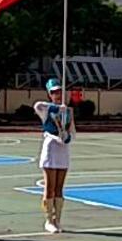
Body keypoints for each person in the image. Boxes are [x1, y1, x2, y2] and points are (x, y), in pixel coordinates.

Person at [34, 78, 75, 233]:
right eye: (54, 92)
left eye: (59, 92)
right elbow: (37, 105)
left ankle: (57, 219)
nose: (57, 95)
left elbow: (73, 132)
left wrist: (67, 137)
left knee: (59, 188)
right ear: (49, 94)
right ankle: (48, 220)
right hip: (51, 148)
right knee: (49, 187)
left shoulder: (67, 111)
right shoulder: (46, 109)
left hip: (63, 149)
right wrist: (55, 108)